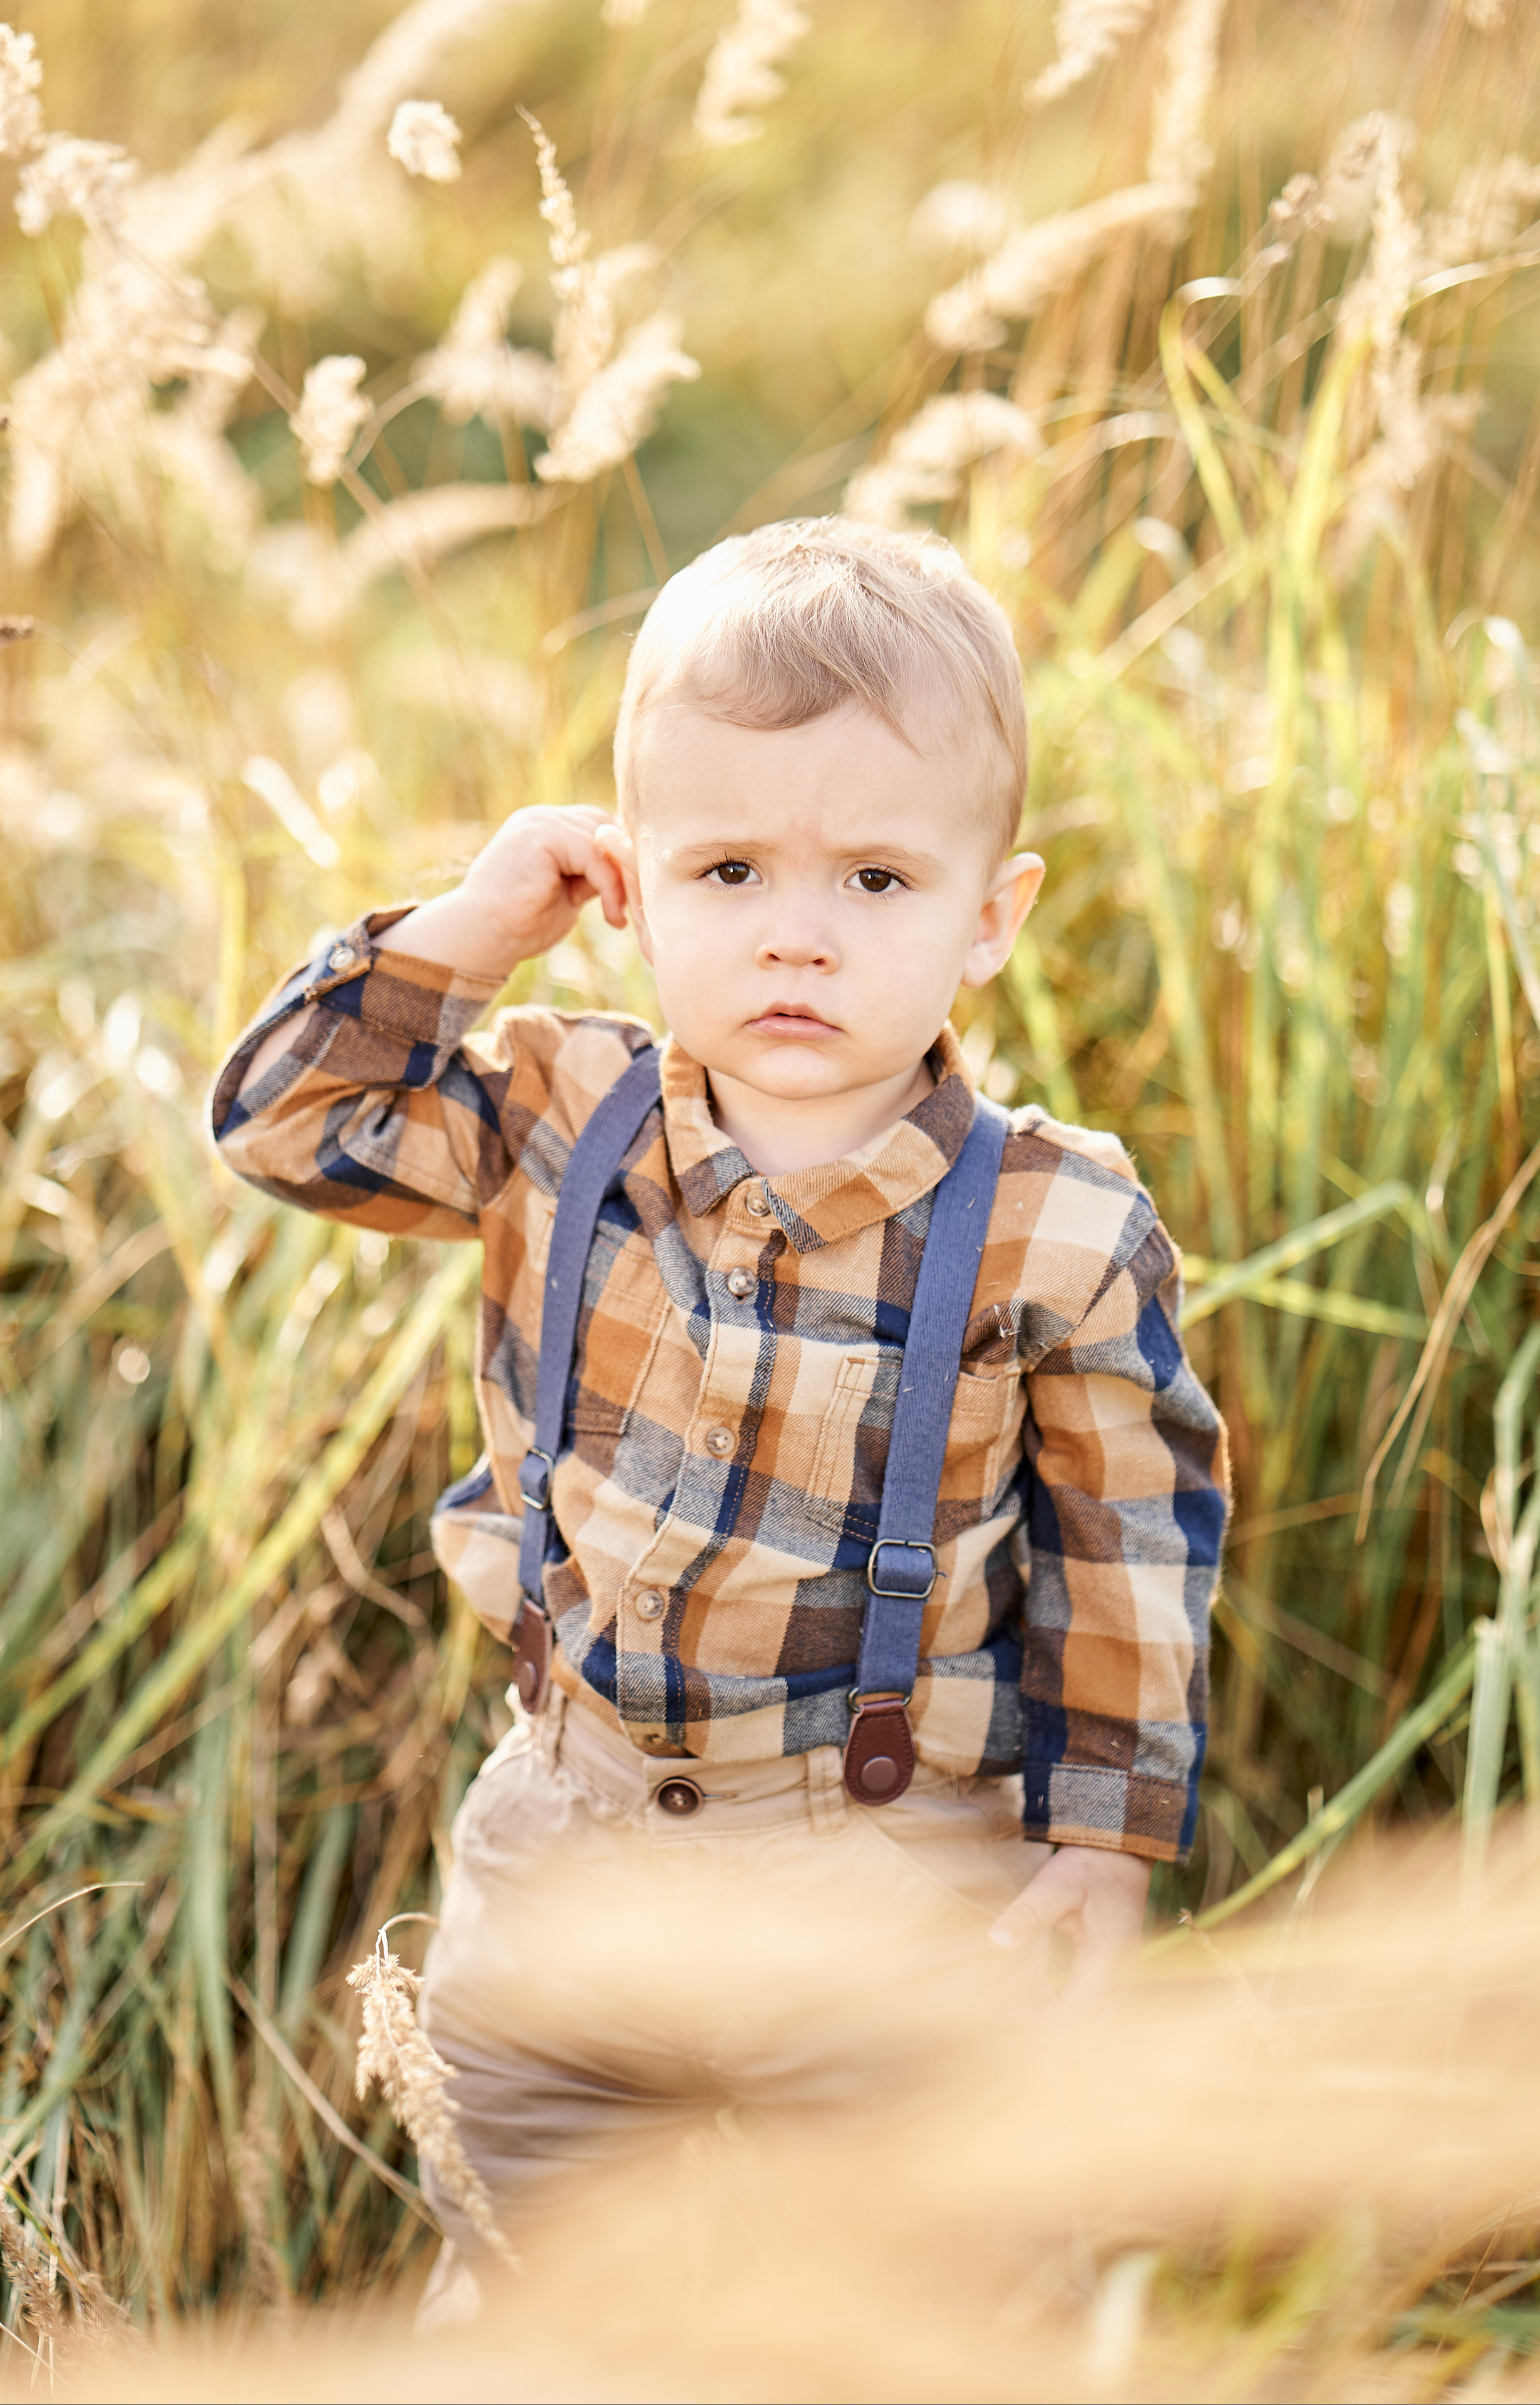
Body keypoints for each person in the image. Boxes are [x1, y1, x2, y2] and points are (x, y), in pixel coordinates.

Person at [212, 518, 1229, 2310]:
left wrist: (1103, 1843)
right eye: (733, 870)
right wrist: (474, 923)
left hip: (894, 1865)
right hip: (572, 1835)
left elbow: (1128, 1543)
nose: (797, 940)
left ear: (990, 919)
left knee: (956, 2272)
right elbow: (286, 1124)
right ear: (632, 883)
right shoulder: (556, 1114)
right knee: (533, 2266)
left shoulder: (1055, 1222)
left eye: (878, 884)